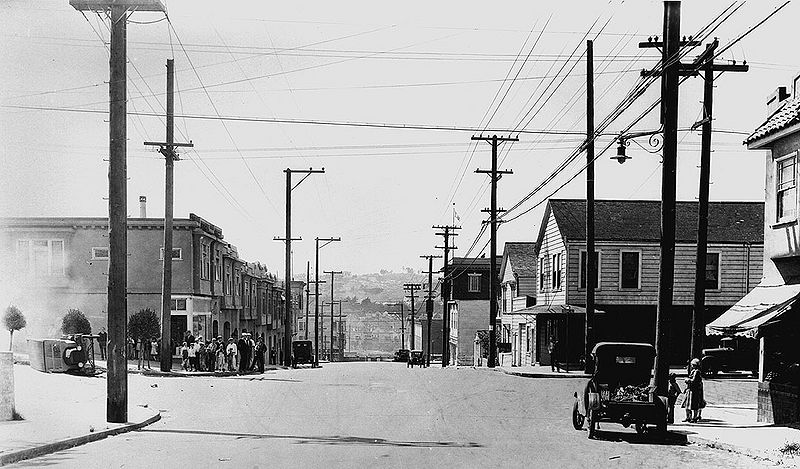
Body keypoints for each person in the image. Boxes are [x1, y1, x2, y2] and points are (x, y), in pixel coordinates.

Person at [683, 358, 705, 422]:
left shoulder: (697, 372)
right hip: (690, 389)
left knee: (694, 404)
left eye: (693, 365)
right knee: (687, 404)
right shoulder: (693, 371)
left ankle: (694, 417)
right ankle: (688, 417)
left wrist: (687, 380)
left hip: (695, 390)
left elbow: (694, 381)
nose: (692, 366)